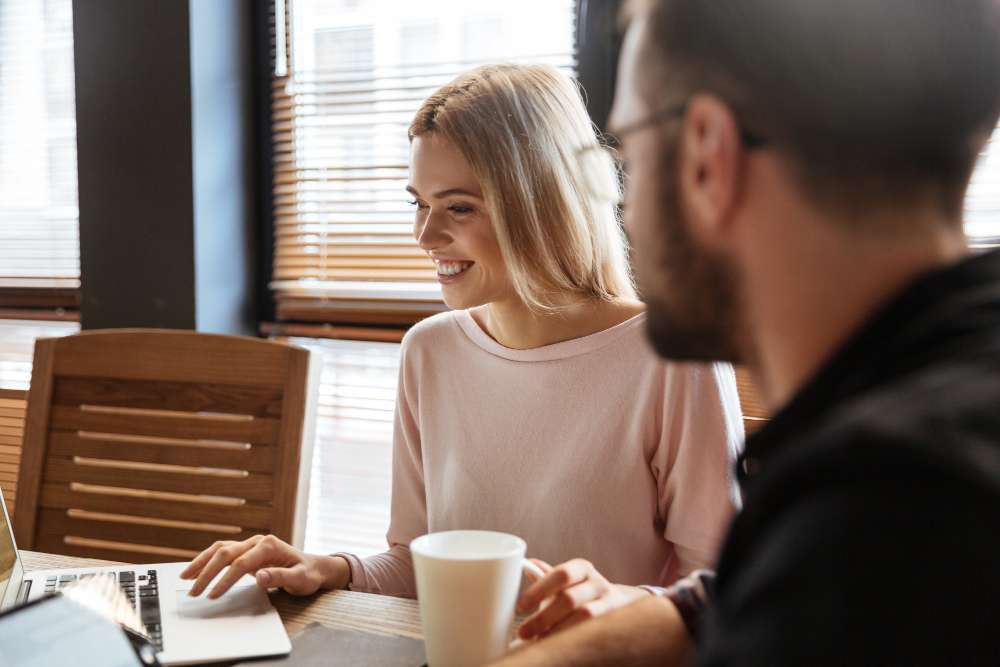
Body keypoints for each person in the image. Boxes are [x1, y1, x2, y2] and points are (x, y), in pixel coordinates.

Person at [488, 0, 1000, 664]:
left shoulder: (889, 512)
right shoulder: (943, 391)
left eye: (628, 160)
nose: (624, 208)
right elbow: (718, 598)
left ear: (707, 155)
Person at [181, 63, 745, 638]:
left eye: (459, 207)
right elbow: (413, 563)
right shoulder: (430, 351)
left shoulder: (675, 358)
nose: (424, 237)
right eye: (417, 203)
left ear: (542, 202)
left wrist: (617, 603)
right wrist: (330, 568)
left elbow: (725, 594)